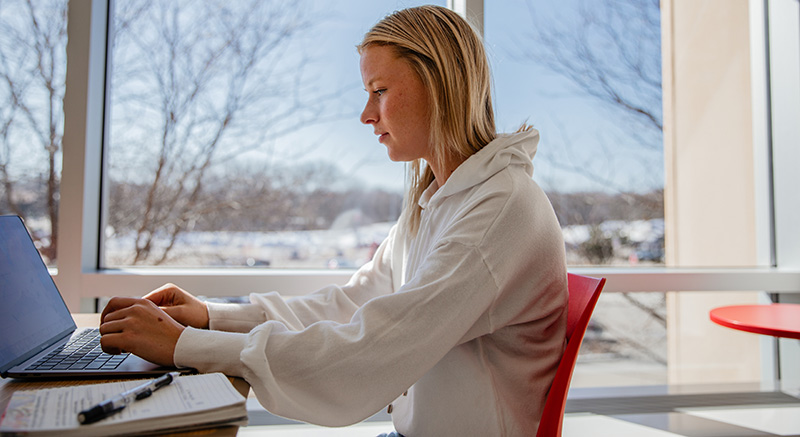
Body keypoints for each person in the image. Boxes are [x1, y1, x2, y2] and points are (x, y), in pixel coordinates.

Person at [100, 5, 568, 435]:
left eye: (379, 91)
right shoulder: (441, 199)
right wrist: (212, 318)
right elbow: (355, 304)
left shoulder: (497, 211)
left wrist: (186, 346)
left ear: (440, 83)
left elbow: (369, 351)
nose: (366, 115)